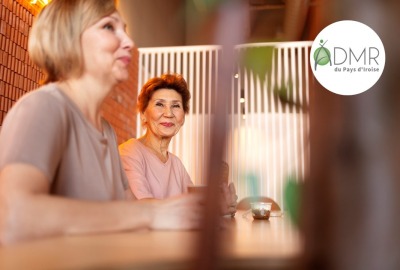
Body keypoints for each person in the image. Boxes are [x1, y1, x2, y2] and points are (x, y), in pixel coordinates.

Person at [0, 0, 202, 245]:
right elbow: (11, 217)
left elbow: (129, 208)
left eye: (124, 30)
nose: (127, 42)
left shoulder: (105, 130)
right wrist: (152, 214)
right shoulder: (44, 107)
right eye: (108, 27)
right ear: (69, 39)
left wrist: (194, 210)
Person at [118, 73, 237, 215]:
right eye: (159, 104)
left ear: (183, 118)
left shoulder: (176, 164)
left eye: (176, 106)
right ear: (143, 114)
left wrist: (218, 206)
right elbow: (142, 208)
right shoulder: (129, 152)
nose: (168, 113)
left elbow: (196, 204)